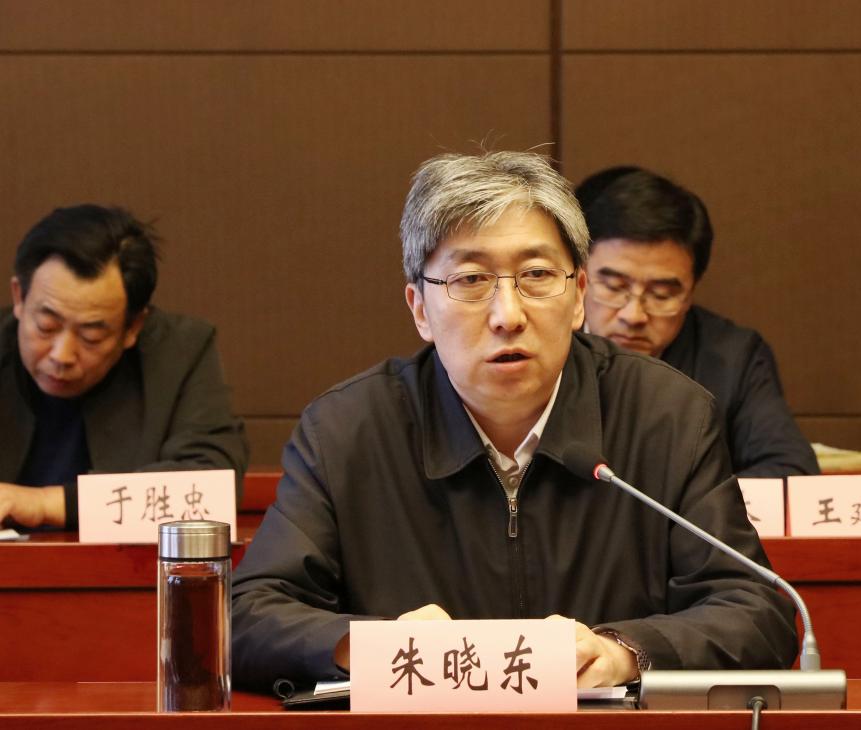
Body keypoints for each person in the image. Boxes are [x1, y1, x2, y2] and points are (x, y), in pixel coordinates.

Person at [231, 151, 797, 692]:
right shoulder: (347, 431)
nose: (508, 315)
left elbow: (757, 611)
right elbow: (247, 616)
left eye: (536, 275)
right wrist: (378, 646)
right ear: (420, 308)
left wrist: (623, 652)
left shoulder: (666, 416)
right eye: (470, 280)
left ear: (578, 296)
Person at [0, 204, 248, 529]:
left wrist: (46, 504)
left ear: (133, 327)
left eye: (90, 336)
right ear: (19, 298)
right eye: (46, 326)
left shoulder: (180, 353)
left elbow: (210, 488)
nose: (62, 355)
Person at [576, 167, 818, 478]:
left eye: (661, 294)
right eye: (614, 287)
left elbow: (791, 470)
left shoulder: (733, 358)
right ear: (580, 277)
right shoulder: (541, 346)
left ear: (691, 292)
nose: (633, 315)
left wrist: (695, 500)